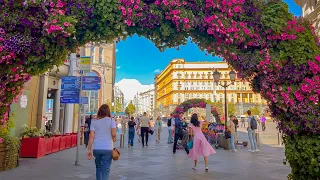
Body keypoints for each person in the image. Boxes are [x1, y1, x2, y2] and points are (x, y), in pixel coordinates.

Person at [87, 104, 116, 180]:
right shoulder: (111, 120)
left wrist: (89, 149)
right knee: (106, 169)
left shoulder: (94, 121)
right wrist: (113, 138)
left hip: (97, 148)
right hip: (107, 148)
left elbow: (91, 136)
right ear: (108, 111)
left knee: (98, 168)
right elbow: (113, 134)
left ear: (99, 111)